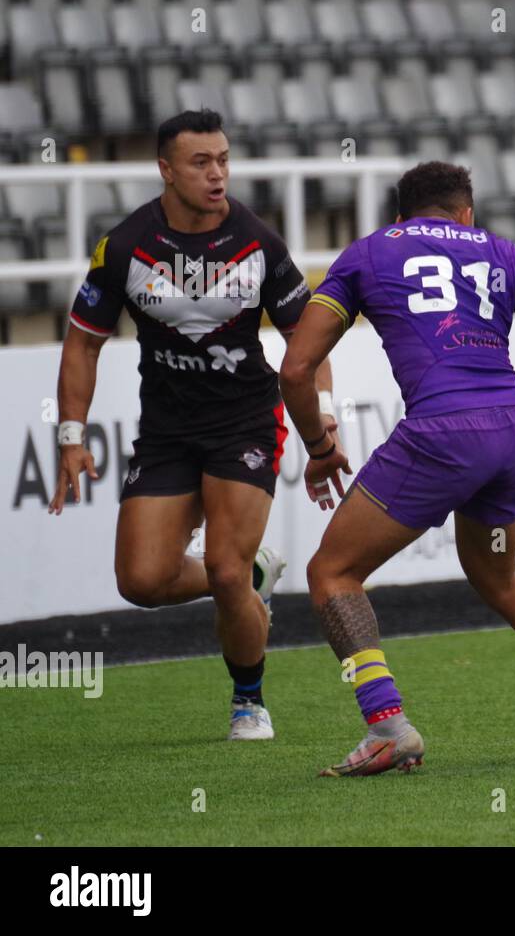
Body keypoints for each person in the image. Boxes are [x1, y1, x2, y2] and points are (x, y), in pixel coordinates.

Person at [280, 160, 515, 776]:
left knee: (332, 572)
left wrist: (319, 446)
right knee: (499, 578)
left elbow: (294, 369)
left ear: (400, 216)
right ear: (465, 212)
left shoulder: (367, 255)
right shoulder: (498, 250)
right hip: (512, 430)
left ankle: (387, 726)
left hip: (442, 432)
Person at [49, 109, 334, 741]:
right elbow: (82, 344)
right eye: (201, 163)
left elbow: (307, 344)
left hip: (247, 422)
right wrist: (70, 436)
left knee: (224, 573)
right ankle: (254, 574)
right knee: (142, 581)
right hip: (168, 431)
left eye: (224, 160)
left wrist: (327, 425)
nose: (217, 174)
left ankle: (249, 701)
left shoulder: (259, 242)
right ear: (166, 170)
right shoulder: (124, 246)